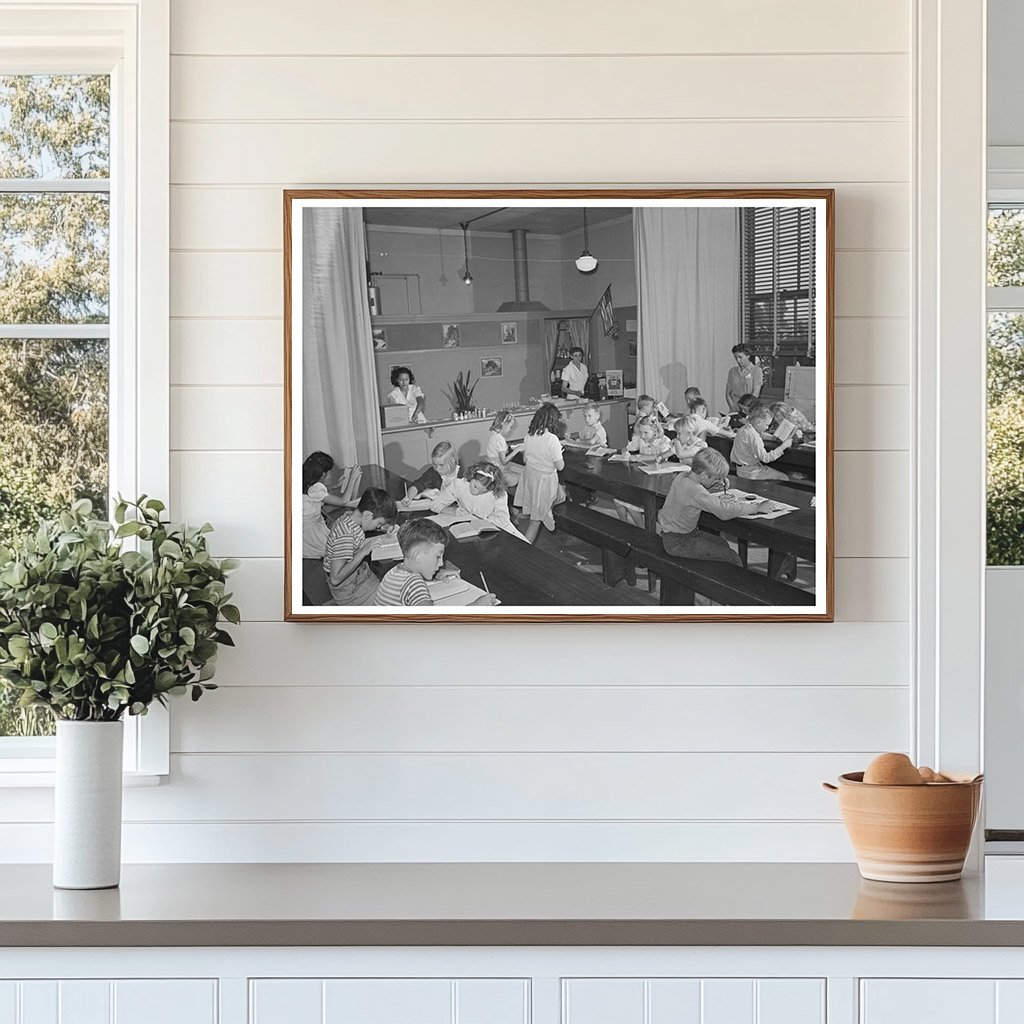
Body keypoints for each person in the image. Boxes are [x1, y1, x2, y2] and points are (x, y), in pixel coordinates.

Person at [658, 448, 769, 564]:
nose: (717, 481)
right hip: (678, 541)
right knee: (732, 557)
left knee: (722, 543)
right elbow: (724, 512)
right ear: (705, 475)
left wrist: (716, 484)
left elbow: (697, 494)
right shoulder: (696, 491)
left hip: (675, 534)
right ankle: (734, 582)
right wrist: (756, 507)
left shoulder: (683, 476)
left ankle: (717, 577)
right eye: (716, 479)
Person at [373, 519, 498, 607]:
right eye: (437, 557)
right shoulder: (414, 584)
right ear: (418, 555)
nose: (440, 564)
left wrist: (434, 576)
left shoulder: (393, 573)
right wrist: (475, 606)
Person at [323, 488, 398, 605]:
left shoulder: (350, 517)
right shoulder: (345, 534)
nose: (378, 527)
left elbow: (364, 528)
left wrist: (386, 528)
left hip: (360, 575)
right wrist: (363, 551)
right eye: (379, 524)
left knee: (393, 591)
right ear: (368, 515)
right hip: (348, 589)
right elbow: (335, 578)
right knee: (391, 602)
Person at [430, 461, 527, 539]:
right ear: (471, 476)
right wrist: (452, 510)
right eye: (475, 486)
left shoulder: (498, 493)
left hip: (502, 532)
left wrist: (482, 520)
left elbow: (503, 520)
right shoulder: (459, 485)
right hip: (474, 534)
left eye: (482, 492)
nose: (476, 492)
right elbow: (435, 504)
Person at [519, 402, 566, 544]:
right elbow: (560, 467)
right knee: (562, 496)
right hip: (544, 482)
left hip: (530, 480)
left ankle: (546, 509)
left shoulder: (530, 435)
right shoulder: (552, 439)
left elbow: (525, 458)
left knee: (557, 495)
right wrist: (559, 454)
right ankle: (546, 511)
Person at [301, 451, 352, 558]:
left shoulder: (308, 484)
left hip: (315, 524)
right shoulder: (316, 488)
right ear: (323, 474)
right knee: (342, 549)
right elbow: (344, 501)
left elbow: (316, 494)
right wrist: (353, 479)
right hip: (312, 533)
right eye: (330, 472)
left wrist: (334, 486)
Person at [731, 405, 793, 480]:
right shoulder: (754, 437)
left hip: (741, 469)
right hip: (751, 472)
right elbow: (766, 458)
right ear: (759, 422)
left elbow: (759, 434)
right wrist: (783, 446)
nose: (767, 428)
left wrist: (772, 438)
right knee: (784, 477)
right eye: (767, 425)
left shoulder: (744, 428)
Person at [485, 411, 522, 491]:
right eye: (510, 427)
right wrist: (517, 450)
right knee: (522, 476)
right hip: (498, 474)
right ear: (503, 424)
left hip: (493, 469)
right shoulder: (500, 439)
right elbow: (504, 461)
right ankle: (517, 499)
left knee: (521, 470)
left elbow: (498, 450)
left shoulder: (493, 434)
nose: (510, 430)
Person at [725, 344, 764, 413]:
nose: (738, 360)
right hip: (735, 408)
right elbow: (728, 393)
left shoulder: (756, 370)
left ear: (747, 356)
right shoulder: (732, 371)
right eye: (736, 357)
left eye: (740, 357)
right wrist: (733, 408)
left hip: (749, 408)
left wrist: (745, 409)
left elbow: (755, 393)